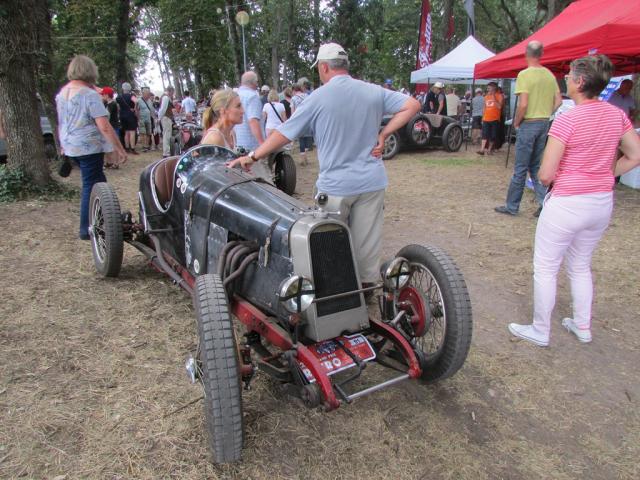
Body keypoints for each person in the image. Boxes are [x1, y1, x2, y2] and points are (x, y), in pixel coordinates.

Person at [227, 42, 421, 288]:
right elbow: (412, 105)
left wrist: (253, 156)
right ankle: (366, 288)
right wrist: (384, 133)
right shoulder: (373, 91)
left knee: (328, 242)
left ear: (324, 67)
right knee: (367, 244)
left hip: (336, 185)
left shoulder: (316, 98)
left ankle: (334, 290)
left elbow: (283, 134)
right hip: (372, 181)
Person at [508, 55, 640, 347]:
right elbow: (635, 154)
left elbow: (545, 174)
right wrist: (608, 173)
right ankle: (582, 325)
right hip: (601, 202)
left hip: (568, 202)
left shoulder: (567, 119)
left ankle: (540, 329)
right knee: (580, 265)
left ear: (580, 82)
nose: (565, 79)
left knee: (545, 267)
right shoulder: (616, 115)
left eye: (568, 75)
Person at [55, 55, 127, 240]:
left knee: (96, 182)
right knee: (92, 185)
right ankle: (87, 227)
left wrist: (63, 145)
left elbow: (61, 123)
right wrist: (119, 148)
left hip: (71, 146)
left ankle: (101, 219)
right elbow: (104, 125)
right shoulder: (89, 95)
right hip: (88, 147)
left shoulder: (62, 94)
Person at [495, 41, 562, 217]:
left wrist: (517, 121)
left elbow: (523, 104)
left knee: (521, 167)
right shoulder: (549, 75)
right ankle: (544, 202)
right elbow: (559, 100)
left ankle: (512, 206)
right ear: (541, 54)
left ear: (527, 54)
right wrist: (547, 113)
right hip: (543, 123)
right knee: (535, 166)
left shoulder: (525, 74)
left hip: (529, 123)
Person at [234, 71, 265, 154]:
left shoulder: (235, 96)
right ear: (254, 82)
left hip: (238, 143)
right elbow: (253, 121)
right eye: (257, 81)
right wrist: (262, 144)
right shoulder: (253, 97)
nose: (257, 84)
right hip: (252, 145)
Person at [477, 82, 503, 155]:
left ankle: (489, 149)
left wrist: (494, 97)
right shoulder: (486, 97)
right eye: (487, 87)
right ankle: (482, 150)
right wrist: (483, 117)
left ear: (494, 88)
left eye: (489, 87)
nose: (487, 89)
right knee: (484, 134)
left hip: (495, 119)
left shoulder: (499, 96)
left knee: (493, 135)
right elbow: (484, 108)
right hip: (486, 118)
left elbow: (499, 107)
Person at [291, 83, 312, 165]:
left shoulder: (294, 98)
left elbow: (293, 112)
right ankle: (305, 157)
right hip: (308, 120)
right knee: (307, 139)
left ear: (294, 90)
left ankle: (303, 159)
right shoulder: (307, 96)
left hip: (299, 121)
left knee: (301, 140)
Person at [116, 82, 138, 154]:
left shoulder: (119, 97)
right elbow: (136, 101)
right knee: (132, 132)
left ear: (123, 88)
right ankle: (132, 148)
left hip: (123, 115)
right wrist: (134, 109)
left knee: (126, 132)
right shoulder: (131, 96)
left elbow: (118, 106)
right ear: (129, 88)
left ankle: (127, 147)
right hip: (130, 115)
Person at [158, 86, 175, 158]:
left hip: (166, 118)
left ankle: (166, 151)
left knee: (166, 134)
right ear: (170, 91)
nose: (173, 94)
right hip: (166, 118)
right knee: (166, 134)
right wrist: (159, 118)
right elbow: (163, 109)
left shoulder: (165, 97)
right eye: (173, 92)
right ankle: (166, 152)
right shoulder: (166, 97)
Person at [136, 87, 154, 152]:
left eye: (149, 93)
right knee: (143, 133)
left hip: (148, 119)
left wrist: (154, 117)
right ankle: (144, 146)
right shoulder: (138, 101)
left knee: (149, 133)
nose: (148, 95)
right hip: (142, 119)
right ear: (143, 93)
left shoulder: (150, 101)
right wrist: (138, 118)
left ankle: (147, 145)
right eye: (147, 93)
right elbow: (136, 110)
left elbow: (152, 110)